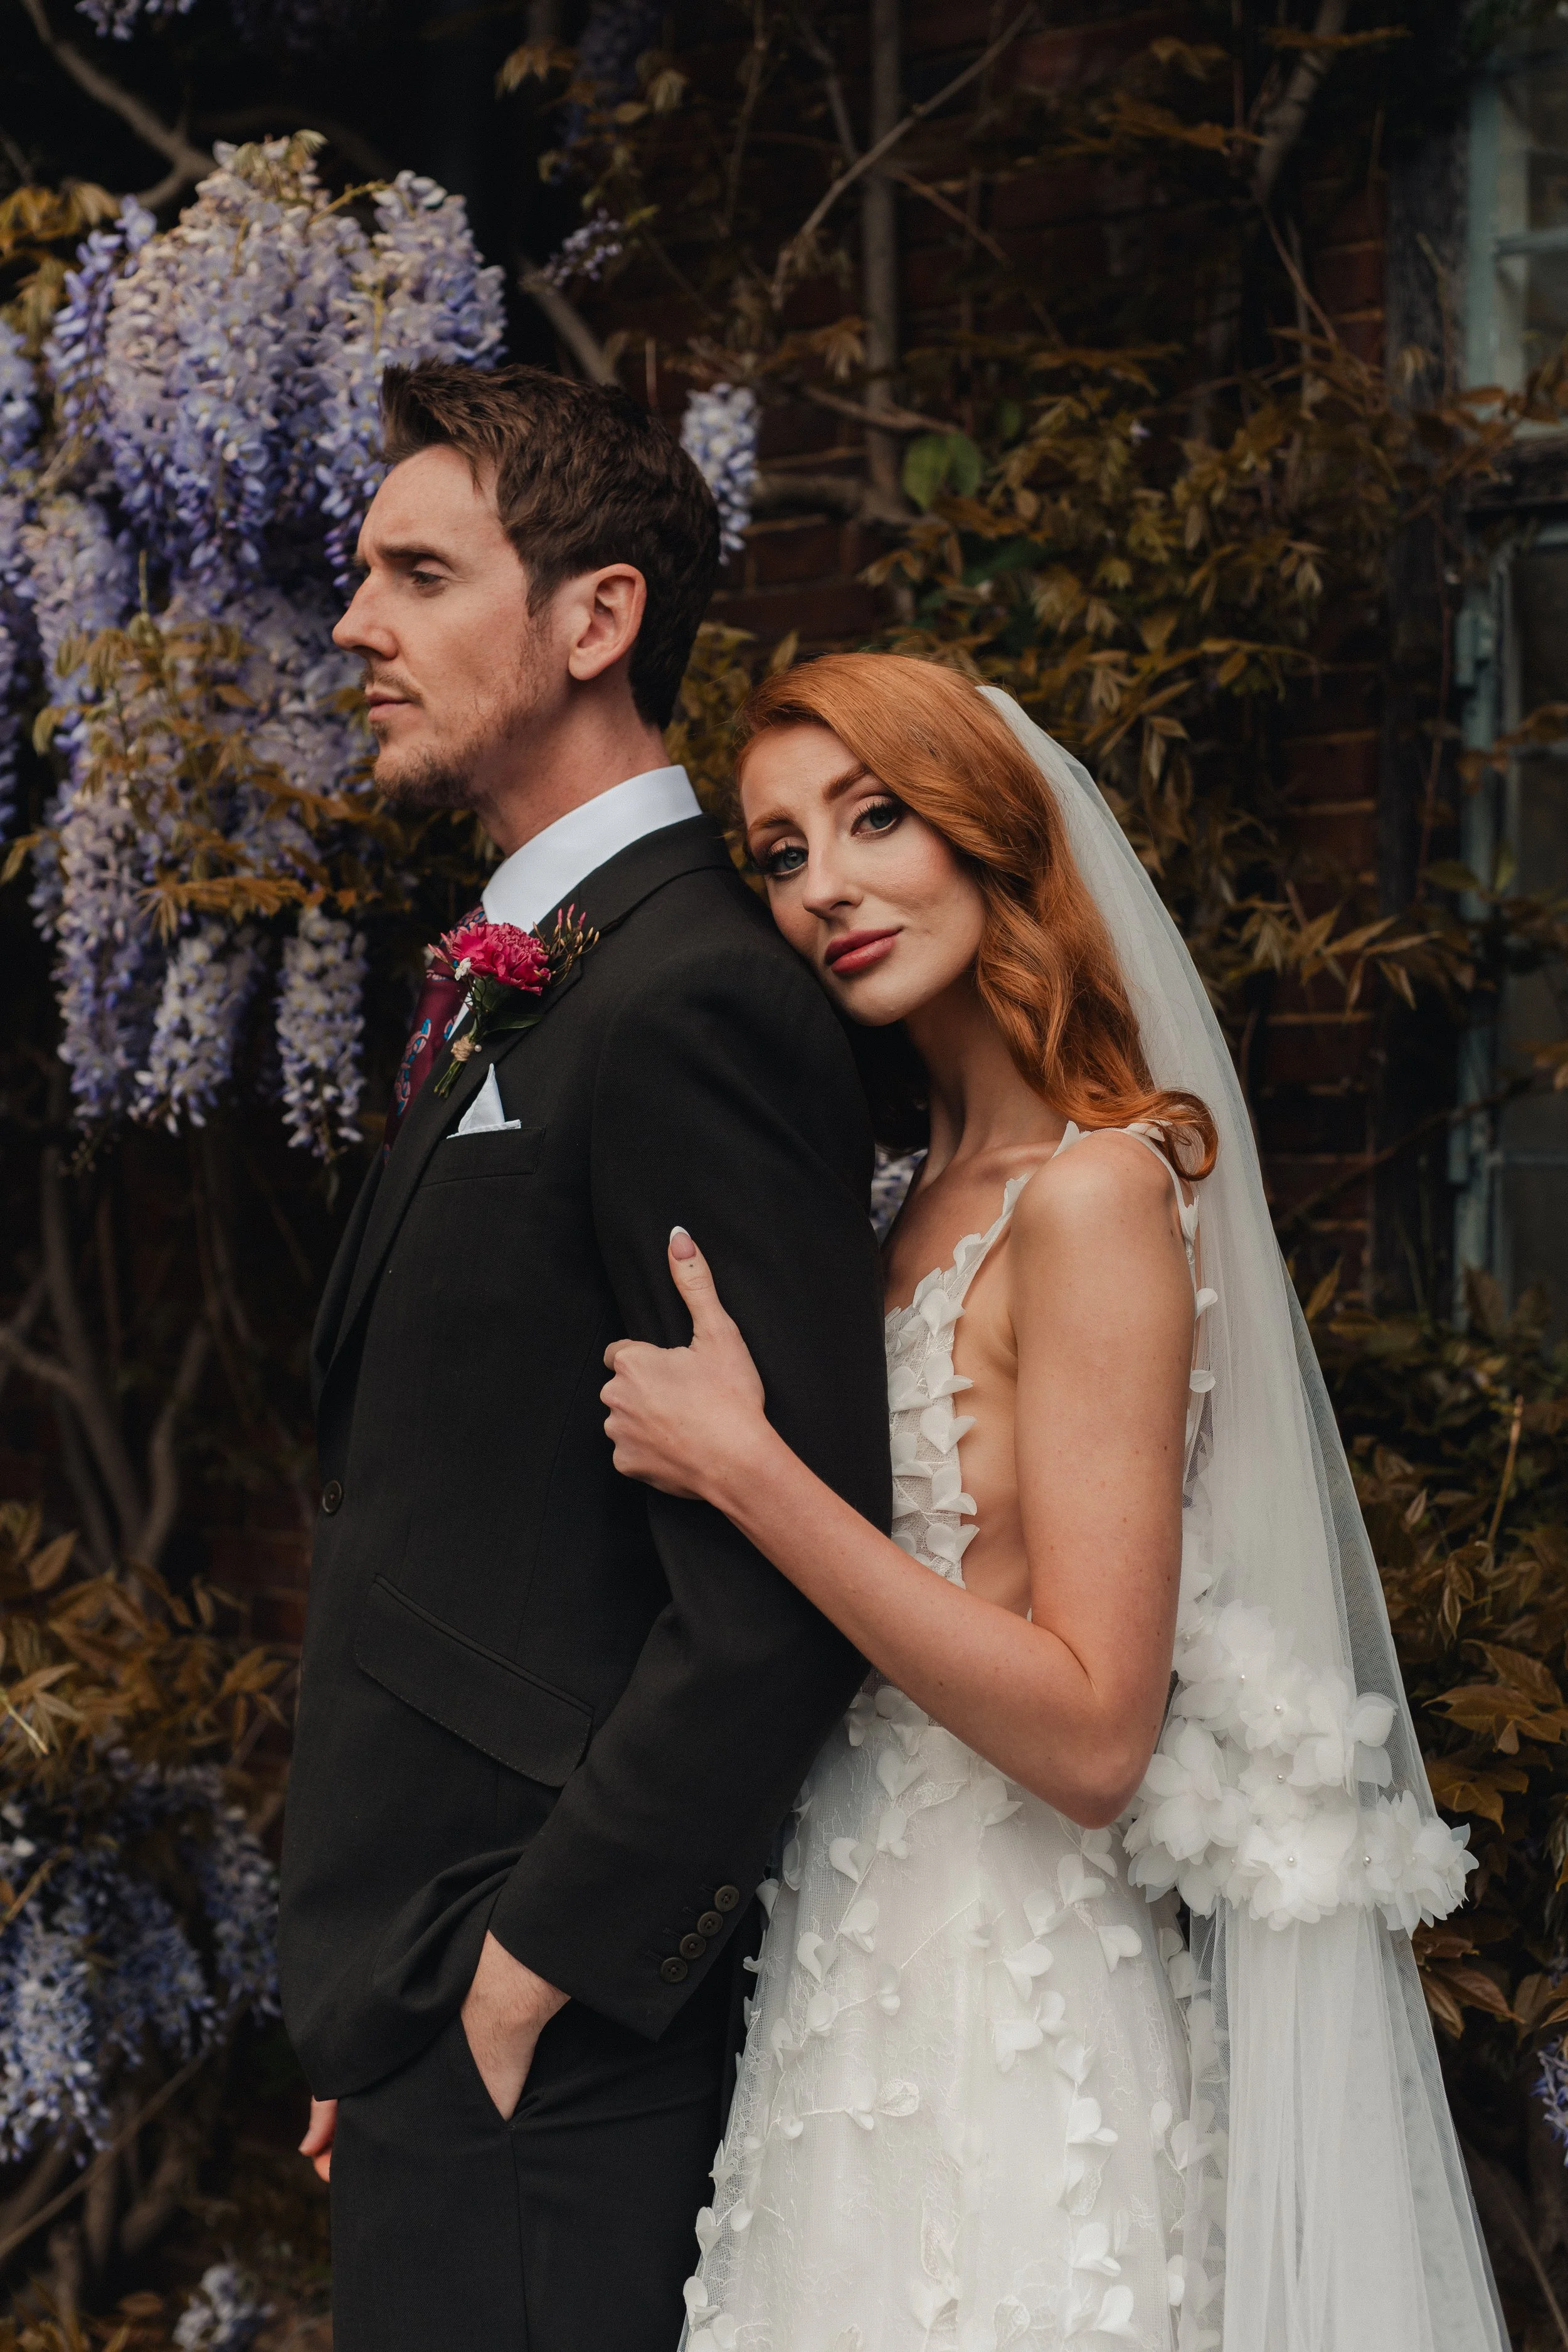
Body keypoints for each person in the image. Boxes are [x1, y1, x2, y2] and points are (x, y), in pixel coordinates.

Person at [600, 654, 1508, 2352]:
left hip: (1006, 2001)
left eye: (876, 819)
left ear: (990, 831)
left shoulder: (1091, 1195)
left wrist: (743, 1466)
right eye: (781, 850)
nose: (827, 886)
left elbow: (1094, 1732)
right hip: (842, 1978)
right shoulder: (892, 1201)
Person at [277, 365, 892, 2352]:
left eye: (416, 572)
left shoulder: (696, 993)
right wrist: (388, 1993)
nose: (353, 623)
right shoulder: (525, 980)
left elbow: (784, 1576)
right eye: (362, 572)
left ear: (594, 616)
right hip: (428, 2004)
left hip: (557, 2029)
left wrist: (531, 1965)